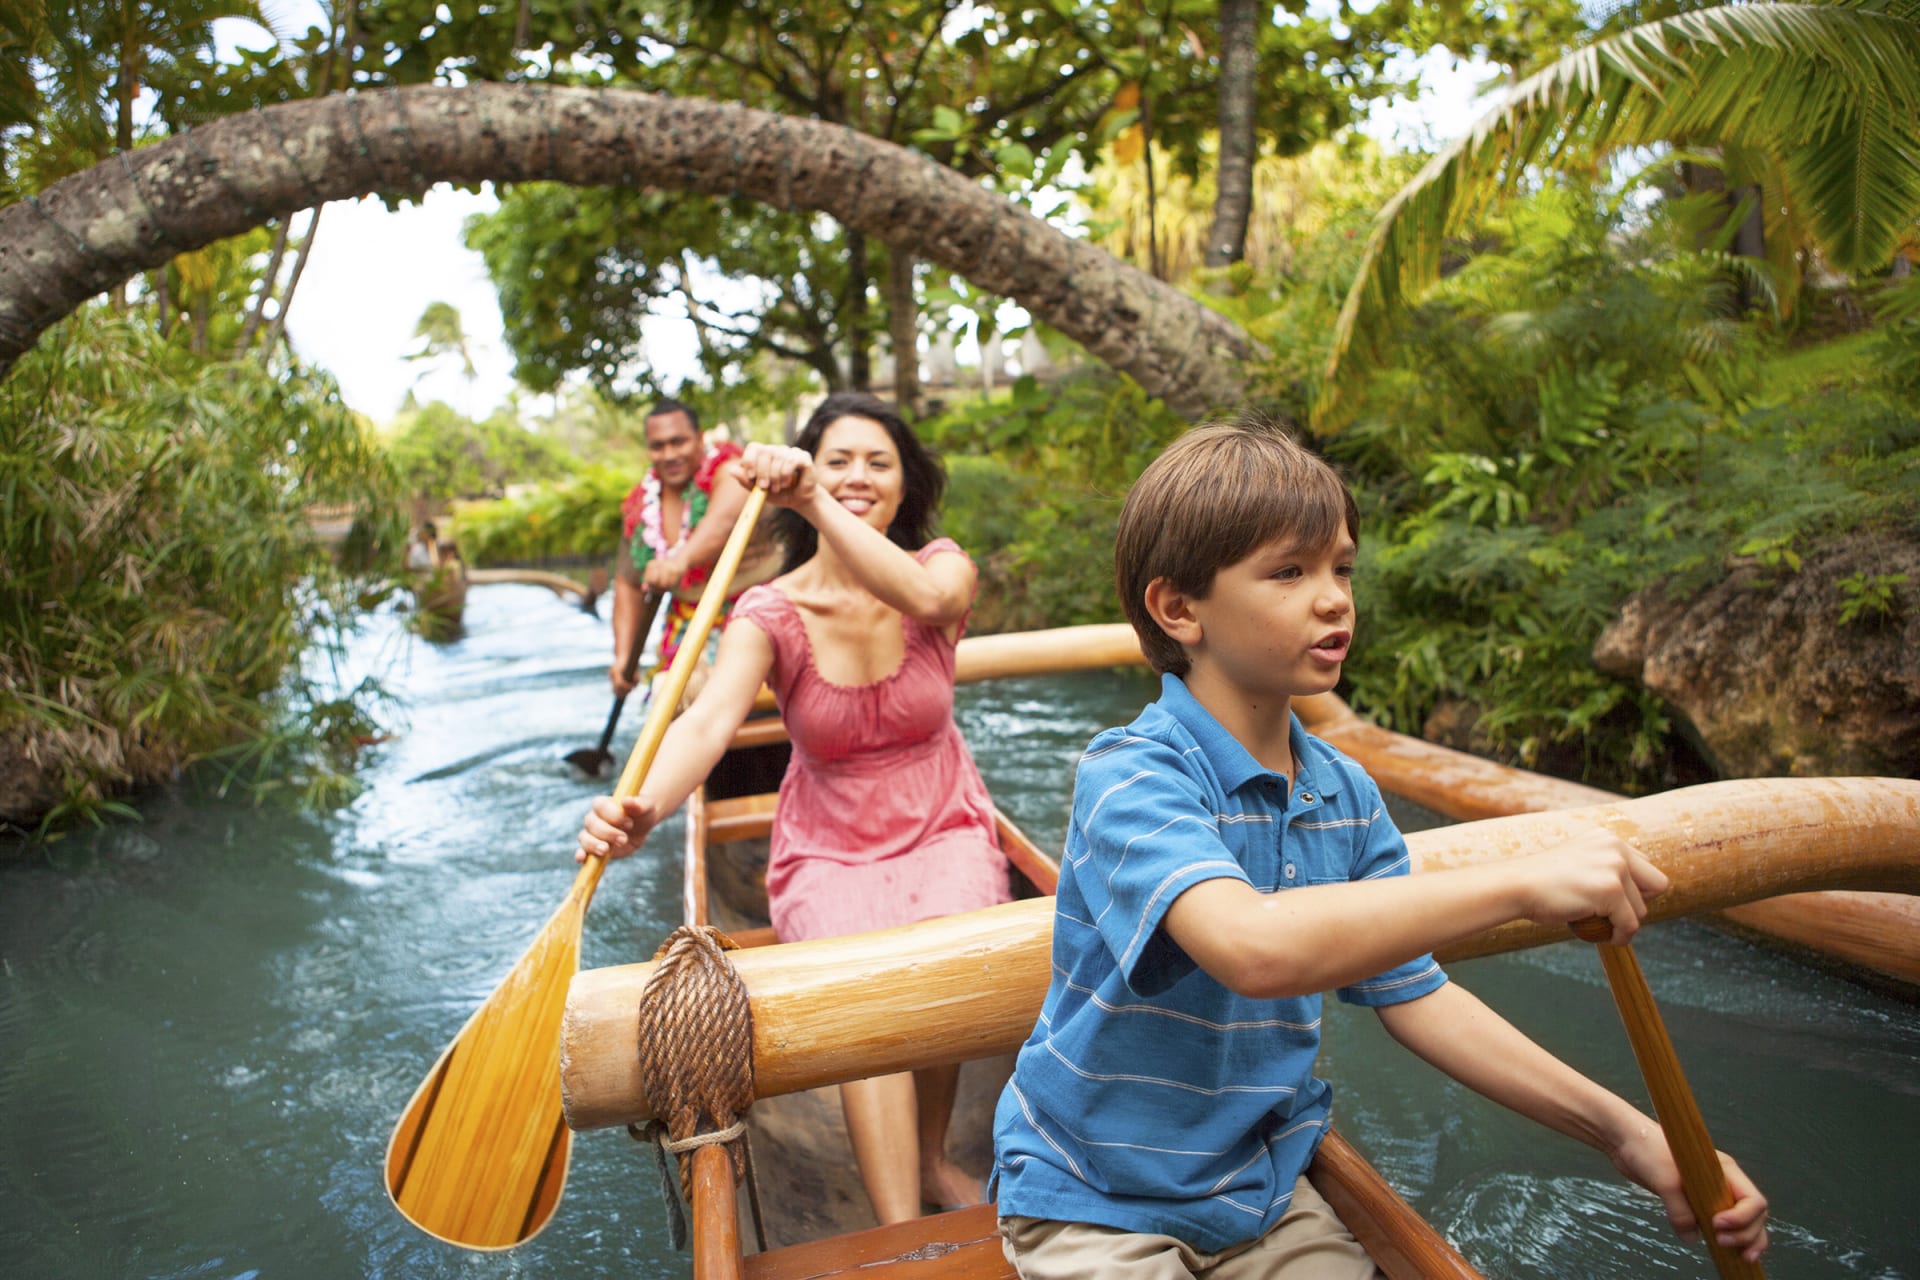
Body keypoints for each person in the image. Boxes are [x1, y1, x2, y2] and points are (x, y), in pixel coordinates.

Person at [989, 420, 1770, 1279]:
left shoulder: (1344, 793)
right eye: (1289, 572)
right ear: (1179, 608)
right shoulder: (1132, 775)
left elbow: (1417, 995)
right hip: (1092, 1193)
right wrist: (1519, 882)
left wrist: (1632, 1138)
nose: (1334, 599)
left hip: (1259, 1189)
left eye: (1342, 568)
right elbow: (1254, 947)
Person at [579, 391, 1009, 1224]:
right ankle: (901, 1231)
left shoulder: (941, 567)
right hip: (830, 841)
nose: (858, 477)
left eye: (877, 462)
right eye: (837, 460)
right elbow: (706, 723)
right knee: (868, 1000)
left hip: (942, 816)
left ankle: (927, 1157)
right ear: (808, 474)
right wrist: (646, 807)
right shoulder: (769, 610)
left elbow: (928, 604)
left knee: (951, 963)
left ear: (905, 483)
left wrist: (810, 492)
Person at [611, 399, 778, 693]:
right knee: (672, 690)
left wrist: (679, 561)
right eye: (658, 446)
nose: (669, 454)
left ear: (700, 438)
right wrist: (624, 658)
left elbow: (724, 522)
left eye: (678, 442)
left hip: (764, 615)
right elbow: (628, 583)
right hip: (689, 627)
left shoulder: (732, 471)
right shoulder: (640, 506)